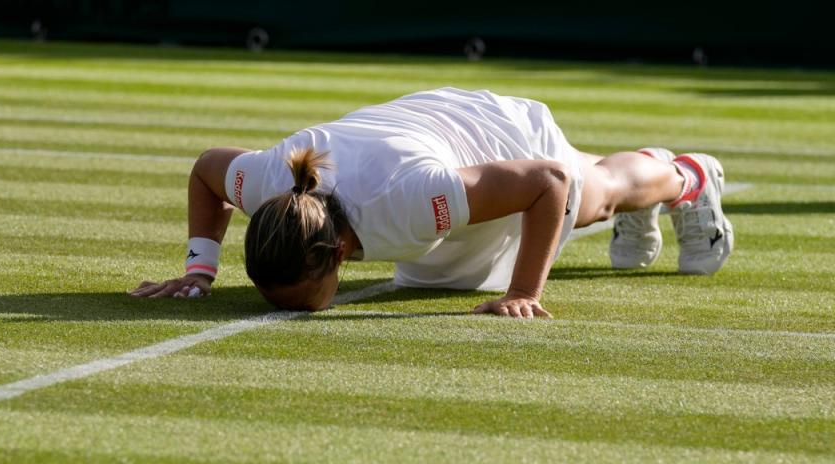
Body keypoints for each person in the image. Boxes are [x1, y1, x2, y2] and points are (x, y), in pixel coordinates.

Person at [130, 87, 733, 318]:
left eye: (292, 299)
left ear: (337, 252)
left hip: (495, 133)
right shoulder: (265, 180)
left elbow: (545, 180)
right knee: (438, 278)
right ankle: (656, 179)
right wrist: (199, 271)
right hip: (420, 136)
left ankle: (687, 178)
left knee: (593, 194)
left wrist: (524, 292)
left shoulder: (410, 201)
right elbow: (209, 169)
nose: (280, 309)